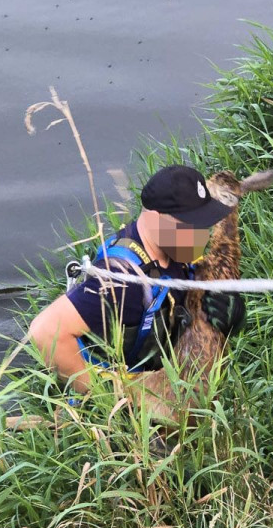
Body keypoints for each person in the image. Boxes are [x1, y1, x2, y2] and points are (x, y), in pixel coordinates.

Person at [28, 165, 245, 393]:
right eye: (190, 225)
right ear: (155, 218)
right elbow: (45, 331)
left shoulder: (175, 248)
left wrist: (233, 315)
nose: (201, 237)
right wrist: (104, 398)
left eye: (203, 225)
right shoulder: (124, 280)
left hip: (159, 371)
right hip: (126, 388)